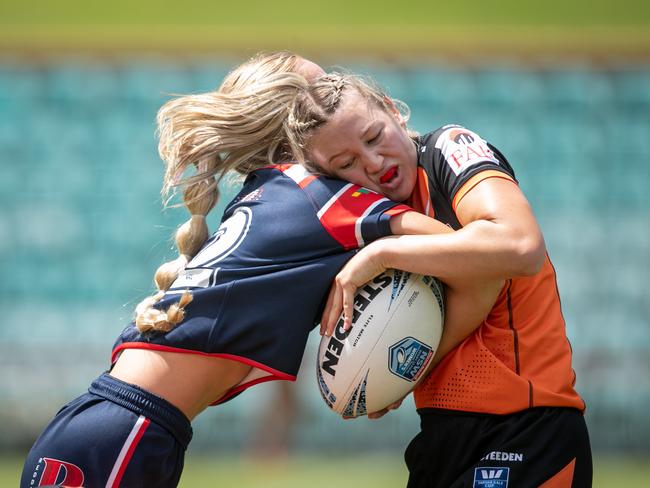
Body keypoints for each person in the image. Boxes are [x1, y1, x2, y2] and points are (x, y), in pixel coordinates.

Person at [21, 53, 499, 488]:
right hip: (126, 430)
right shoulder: (324, 198)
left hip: (118, 423)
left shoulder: (267, 190)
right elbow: (471, 251)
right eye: (322, 89)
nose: (335, 93)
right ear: (297, 126)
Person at [282, 72, 593, 487]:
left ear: (394, 111)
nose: (373, 163)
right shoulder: (372, 216)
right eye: (347, 164)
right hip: (443, 437)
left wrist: (383, 254)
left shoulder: (449, 148)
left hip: (527, 430)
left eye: (374, 137)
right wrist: (393, 372)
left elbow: (520, 246)